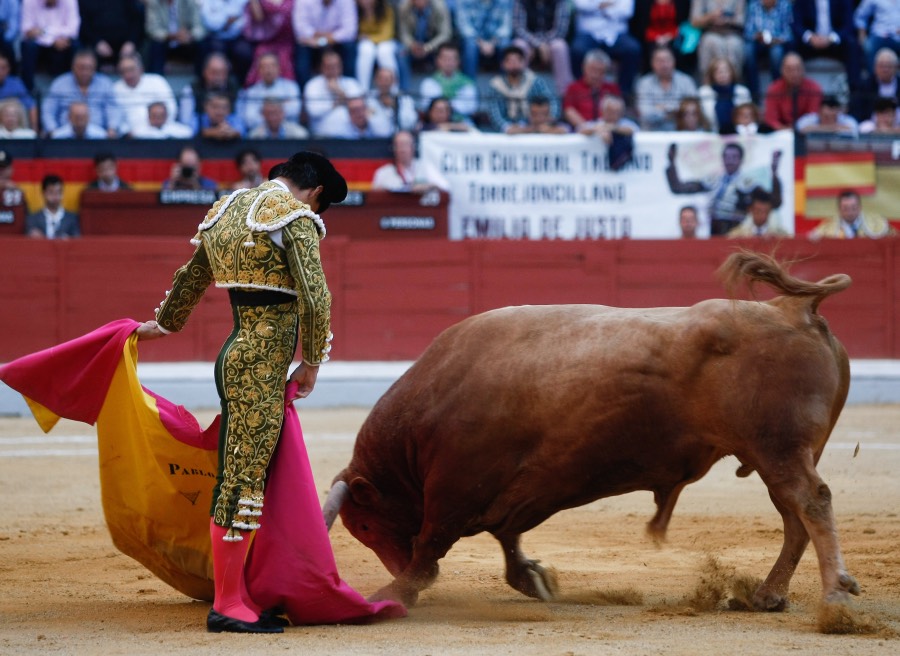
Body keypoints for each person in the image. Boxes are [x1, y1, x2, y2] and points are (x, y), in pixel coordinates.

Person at [134, 151, 347, 634]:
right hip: (261, 365)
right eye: (320, 205)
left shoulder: (224, 211)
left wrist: (163, 326)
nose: (317, 213)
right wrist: (311, 364)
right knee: (241, 481)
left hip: (233, 356)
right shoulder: (295, 219)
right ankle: (228, 603)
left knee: (242, 473)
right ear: (314, 193)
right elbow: (316, 297)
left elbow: (192, 277)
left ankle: (242, 588)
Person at [666, 141, 783, 236]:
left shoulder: (747, 184)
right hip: (714, 231)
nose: (730, 161)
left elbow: (775, 202)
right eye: (727, 157)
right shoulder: (713, 181)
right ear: (722, 159)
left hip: (737, 230)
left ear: (741, 160)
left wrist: (774, 173)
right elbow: (678, 188)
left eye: (734, 157)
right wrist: (671, 164)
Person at [41, 49, 121, 138]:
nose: (85, 72)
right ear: (73, 67)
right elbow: (48, 110)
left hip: (98, 135)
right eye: (81, 67)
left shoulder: (105, 83)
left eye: (89, 68)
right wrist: (52, 130)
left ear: (95, 68)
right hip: (65, 135)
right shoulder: (59, 84)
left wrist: (112, 128)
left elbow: (113, 109)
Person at [570, 0, 641, 100]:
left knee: (633, 49)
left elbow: (626, 11)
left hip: (616, 33)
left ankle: (622, 94)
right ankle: (581, 93)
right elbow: (580, 5)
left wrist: (596, 7)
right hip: (589, 32)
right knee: (577, 50)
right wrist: (610, 6)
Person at [792, 0, 861, 93]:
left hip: (834, 43)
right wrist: (810, 37)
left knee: (852, 45)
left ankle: (855, 92)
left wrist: (831, 38)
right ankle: (789, 92)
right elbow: (796, 24)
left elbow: (848, 25)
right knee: (791, 45)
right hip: (810, 44)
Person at [487, 44, 559, 133]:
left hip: (534, 128)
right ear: (503, 64)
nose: (514, 64)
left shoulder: (534, 81)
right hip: (508, 132)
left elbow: (552, 101)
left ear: (524, 63)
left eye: (517, 60)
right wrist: (507, 128)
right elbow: (494, 113)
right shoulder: (496, 85)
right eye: (509, 61)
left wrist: (548, 123)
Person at [511, 0, 573, 95]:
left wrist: (543, 44)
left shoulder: (560, 2)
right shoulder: (521, 2)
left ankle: (565, 94)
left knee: (560, 46)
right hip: (529, 42)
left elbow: (561, 30)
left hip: (550, 42)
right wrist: (537, 44)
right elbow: (518, 28)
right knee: (519, 45)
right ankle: (518, 93)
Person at [292, 0, 359, 86]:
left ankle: (350, 86)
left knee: (349, 46)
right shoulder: (303, 1)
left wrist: (324, 39)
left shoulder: (347, 2)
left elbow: (349, 31)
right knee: (301, 48)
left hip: (336, 43)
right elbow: (301, 29)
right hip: (311, 43)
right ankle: (304, 90)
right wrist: (323, 37)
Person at [19, 0, 80, 91]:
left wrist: (44, 32)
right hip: (39, 44)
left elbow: (73, 30)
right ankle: (28, 89)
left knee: (76, 45)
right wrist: (52, 40)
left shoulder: (70, 1)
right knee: (28, 45)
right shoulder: (29, 1)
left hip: (61, 41)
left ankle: (73, 88)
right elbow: (27, 30)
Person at [113, 52, 177, 138]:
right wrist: (127, 132)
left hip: (162, 131)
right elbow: (116, 118)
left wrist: (159, 125)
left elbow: (171, 108)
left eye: (131, 69)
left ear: (141, 69)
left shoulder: (157, 81)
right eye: (124, 71)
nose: (128, 75)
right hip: (133, 137)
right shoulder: (116, 88)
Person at [635, 44, 698, 131]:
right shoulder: (644, 83)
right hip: (652, 134)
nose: (664, 65)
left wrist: (661, 108)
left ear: (674, 61)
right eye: (660, 61)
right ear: (652, 63)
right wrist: (675, 110)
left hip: (682, 132)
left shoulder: (686, 81)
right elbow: (645, 113)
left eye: (667, 60)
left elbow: (692, 109)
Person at [303, 48, 364, 134]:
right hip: (322, 138)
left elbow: (359, 109)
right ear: (322, 67)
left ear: (341, 67)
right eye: (329, 67)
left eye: (335, 66)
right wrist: (335, 104)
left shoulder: (352, 83)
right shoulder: (312, 85)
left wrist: (340, 92)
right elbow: (313, 111)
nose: (332, 70)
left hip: (351, 137)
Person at [396, 0, 453, 90]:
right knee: (400, 52)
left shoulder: (440, 6)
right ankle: (405, 91)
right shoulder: (403, 7)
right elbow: (403, 33)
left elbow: (445, 34)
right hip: (413, 47)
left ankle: (441, 90)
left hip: (433, 46)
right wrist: (412, 45)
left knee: (446, 53)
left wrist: (428, 47)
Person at [742, 0, 792, 101]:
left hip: (777, 42)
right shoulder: (753, 5)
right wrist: (756, 36)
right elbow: (747, 32)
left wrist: (776, 40)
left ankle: (778, 93)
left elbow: (788, 33)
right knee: (747, 51)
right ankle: (754, 94)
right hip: (758, 43)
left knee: (776, 53)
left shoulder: (785, 5)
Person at [562, 49, 622, 132]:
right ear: (584, 67)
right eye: (592, 69)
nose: (595, 75)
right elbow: (569, 111)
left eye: (600, 71)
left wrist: (604, 127)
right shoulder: (573, 88)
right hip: (582, 129)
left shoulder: (612, 88)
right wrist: (587, 128)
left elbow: (617, 111)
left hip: (608, 129)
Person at [417, 42, 479, 124]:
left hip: (462, 122)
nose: (449, 62)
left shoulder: (467, 83)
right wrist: (453, 105)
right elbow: (427, 106)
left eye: (452, 59)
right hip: (435, 124)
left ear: (458, 61)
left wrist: (446, 104)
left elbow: (471, 108)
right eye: (445, 58)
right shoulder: (429, 82)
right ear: (437, 60)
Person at [239, 52, 302, 131]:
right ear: (259, 70)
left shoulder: (291, 87)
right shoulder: (252, 91)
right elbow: (250, 119)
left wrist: (263, 112)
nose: (268, 70)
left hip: (288, 129)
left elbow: (294, 111)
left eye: (272, 66)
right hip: (262, 131)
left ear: (279, 68)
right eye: (264, 66)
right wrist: (281, 106)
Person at [178, 52, 241, 128]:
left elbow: (241, 121)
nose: (218, 77)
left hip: (230, 132)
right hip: (198, 134)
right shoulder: (191, 89)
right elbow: (186, 121)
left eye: (222, 72)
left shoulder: (236, 89)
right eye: (214, 72)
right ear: (205, 72)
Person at [241, 0, 297, 86]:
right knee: (262, 55)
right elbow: (258, 17)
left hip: (286, 42)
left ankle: (287, 92)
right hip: (266, 41)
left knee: (286, 58)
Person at [143, 0, 206, 76]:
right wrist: (171, 36)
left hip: (186, 42)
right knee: (154, 45)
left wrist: (190, 35)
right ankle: (157, 80)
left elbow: (199, 27)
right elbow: (152, 29)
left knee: (202, 44)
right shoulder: (154, 3)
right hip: (165, 41)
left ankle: (201, 81)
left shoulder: (189, 2)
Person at [371, 130, 446, 192]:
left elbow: (443, 187)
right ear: (393, 149)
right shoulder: (383, 172)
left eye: (406, 145)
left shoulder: (426, 168)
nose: (402, 149)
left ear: (413, 147)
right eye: (399, 145)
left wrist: (428, 186)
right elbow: (374, 197)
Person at [763, 52, 823, 130]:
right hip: (780, 133)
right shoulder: (773, 89)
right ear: (782, 70)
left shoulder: (814, 88)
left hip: (806, 131)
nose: (794, 73)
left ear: (803, 70)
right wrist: (785, 130)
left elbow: (813, 117)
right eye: (789, 69)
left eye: (798, 69)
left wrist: (797, 129)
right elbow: (771, 119)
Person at [455, 0, 514, 80]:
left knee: (505, 44)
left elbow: (506, 27)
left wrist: (492, 43)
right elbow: (464, 27)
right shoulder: (463, 1)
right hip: (474, 39)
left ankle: (507, 82)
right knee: (470, 46)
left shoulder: (504, 2)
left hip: (496, 39)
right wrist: (482, 43)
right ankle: (469, 84)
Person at [77, 0, 143, 69]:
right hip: (96, 46)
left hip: (126, 46)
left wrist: (131, 41)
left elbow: (137, 21)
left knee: (133, 64)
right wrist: (96, 42)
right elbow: (84, 24)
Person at [200, 0, 253, 86]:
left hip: (236, 36)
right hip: (215, 36)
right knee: (215, 50)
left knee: (245, 52)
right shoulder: (208, 2)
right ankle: (209, 85)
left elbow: (243, 22)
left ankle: (241, 85)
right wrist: (227, 22)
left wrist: (224, 22)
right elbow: (209, 22)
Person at [579, 94, 638, 170]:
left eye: (617, 112)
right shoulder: (597, 123)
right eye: (610, 111)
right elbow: (581, 130)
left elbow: (632, 129)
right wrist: (598, 131)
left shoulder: (624, 123)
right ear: (603, 111)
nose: (614, 115)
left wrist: (610, 128)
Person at [808, 189, 896, 239]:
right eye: (846, 208)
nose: (850, 212)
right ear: (839, 209)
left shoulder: (876, 223)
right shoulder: (827, 227)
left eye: (853, 208)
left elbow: (895, 238)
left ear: (860, 207)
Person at [689, 0, 745, 78]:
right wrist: (710, 17)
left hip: (732, 33)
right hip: (710, 32)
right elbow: (694, 21)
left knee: (734, 45)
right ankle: (709, 83)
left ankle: (733, 83)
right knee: (713, 42)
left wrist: (727, 20)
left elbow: (742, 20)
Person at [355, 0, 400, 91]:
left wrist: (369, 38)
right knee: (366, 48)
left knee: (383, 50)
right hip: (366, 43)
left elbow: (387, 34)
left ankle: (394, 90)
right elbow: (353, 32)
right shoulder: (355, 10)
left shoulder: (386, 9)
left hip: (387, 41)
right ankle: (363, 90)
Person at [698, 56, 751, 133]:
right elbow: (701, 121)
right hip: (712, 135)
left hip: (740, 135)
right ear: (712, 74)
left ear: (732, 72)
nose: (722, 75)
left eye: (726, 71)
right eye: (718, 71)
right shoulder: (703, 93)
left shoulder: (742, 92)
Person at [25, 174, 80, 239]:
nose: (55, 196)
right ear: (44, 193)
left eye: (58, 192)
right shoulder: (33, 219)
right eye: (51, 192)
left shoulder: (72, 218)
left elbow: (77, 242)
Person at [314, 92, 393, 138]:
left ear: (366, 110)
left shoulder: (377, 125)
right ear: (349, 114)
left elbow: (386, 133)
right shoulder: (339, 131)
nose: (359, 114)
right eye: (354, 110)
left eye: (361, 109)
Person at [854, 48, 900, 122]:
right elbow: (859, 109)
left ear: (896, 67)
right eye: (882, 66)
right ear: (875, 67)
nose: (885, 69)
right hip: (872, 124)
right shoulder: (865, 85)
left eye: (889, 66)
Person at [367, 67, 418, 132]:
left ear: (394, 81)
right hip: (374, 138)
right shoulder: (368, 99)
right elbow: (368, 122)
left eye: (387, 79)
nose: (384, 83)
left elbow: (409, 123)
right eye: (381, 79)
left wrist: (394, 108)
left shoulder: (405, 99)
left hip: (398, 137)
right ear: (375, 80)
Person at [854, 0, 900, 74]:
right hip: (879, 35)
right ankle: (873, 82)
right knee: (868, 46)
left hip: (898, 37)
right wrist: (862, 36)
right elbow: (860, 16)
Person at [0, 53, 37, 130]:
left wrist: (35, 130)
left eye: (3, 68)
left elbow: (31, 105)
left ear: (8, 69)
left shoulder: (16, 83)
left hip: (16, 127)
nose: (0, 71)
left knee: (13, 109)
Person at [131, 101, 195, 138]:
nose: (158, 119)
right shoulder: (139, 132)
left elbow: (188, 132)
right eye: (154, 116)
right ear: (148, 116)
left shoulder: (176, 129)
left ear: (166, 115)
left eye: (161, 116)